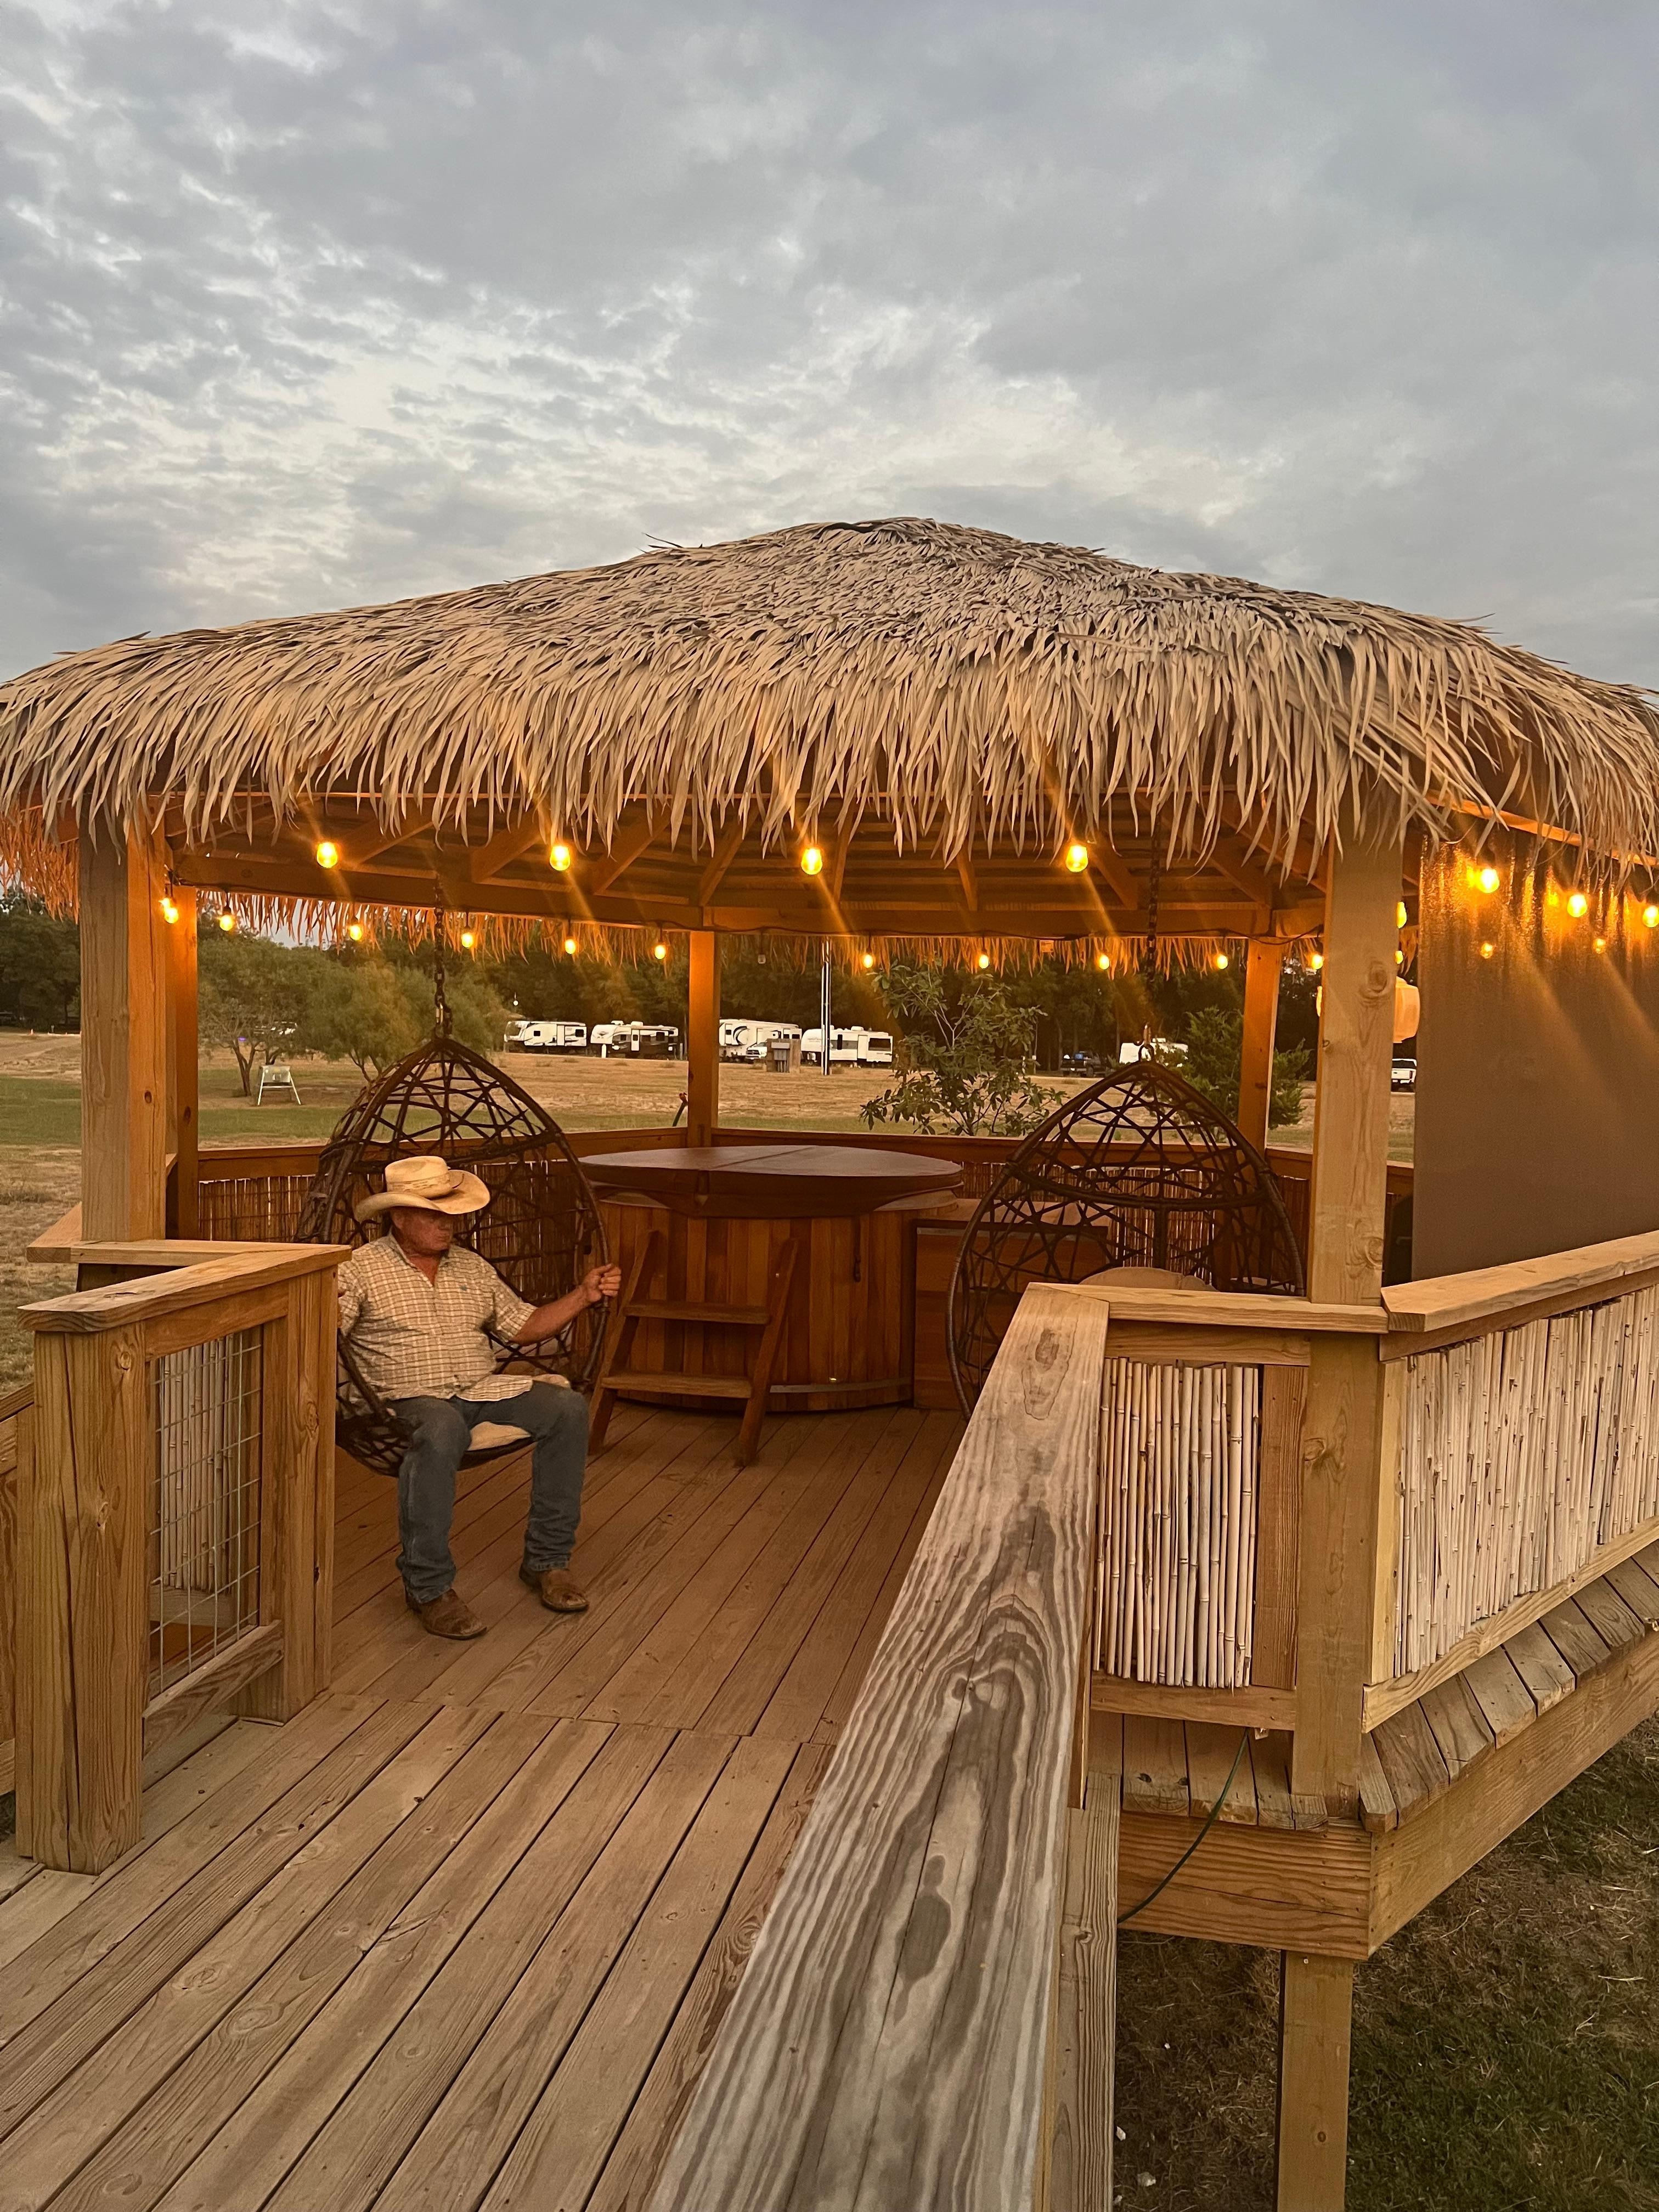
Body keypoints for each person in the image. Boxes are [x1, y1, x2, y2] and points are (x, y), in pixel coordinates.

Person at [337, 1153, 622, 1640]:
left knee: (567, 1408)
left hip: (480, 1390)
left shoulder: (472, 1267)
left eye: (451, 1212)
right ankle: (428, 1587)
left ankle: (547, 1561)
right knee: (441, 1425)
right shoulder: (359, 1270)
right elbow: (327, 1331)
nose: (448, 1224)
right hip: (405, 1399)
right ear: (399, 1216)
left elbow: (524, 1326)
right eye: (433, 1214)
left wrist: (584, 1295)